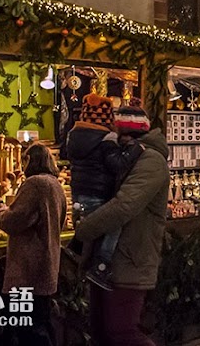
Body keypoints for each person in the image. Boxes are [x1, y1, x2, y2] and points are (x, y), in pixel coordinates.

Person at [75, 123, 170, 346]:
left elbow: (124, 205)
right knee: (103, 331)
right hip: (108, 260)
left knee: (122, 331)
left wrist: (85, 229)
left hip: (129, 258)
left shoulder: (151, 160)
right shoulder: (129, 157)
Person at [0, 143, 66, 346]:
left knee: (27, 330)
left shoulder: (35, 184)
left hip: (28, 272)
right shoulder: (55, 184)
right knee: (40, 325)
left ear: (29, 161)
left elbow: (13, 221)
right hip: (46, 269)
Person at [67, 93, 141, 289]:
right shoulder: (106, 139)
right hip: (98, 192)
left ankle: (75, 253)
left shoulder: (73, 136)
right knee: (113, 224)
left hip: (78, 192)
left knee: (85, 228)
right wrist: (135, 149)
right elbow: (117, 165)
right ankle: (101, 267)